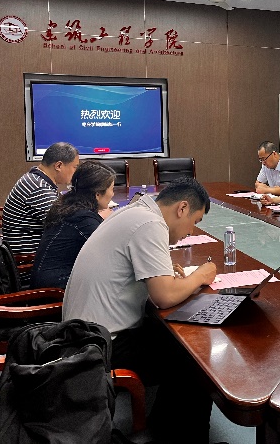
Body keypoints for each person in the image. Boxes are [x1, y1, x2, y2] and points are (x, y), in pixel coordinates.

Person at [62, 177, 218, 442]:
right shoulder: (150, 224)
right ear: (182, 208)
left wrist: (163, 271)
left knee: (175, 341)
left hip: (82, 333)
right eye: (195, 221)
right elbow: (165, 296)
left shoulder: (135, 211)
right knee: (196, 360)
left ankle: (164, 427)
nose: (191, 231)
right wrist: (200, 276)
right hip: (100, 345)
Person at [30, 161, 115, 289]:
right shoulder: (83, 220)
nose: (113, 194)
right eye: (112, 189)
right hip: (55, 291)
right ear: (97, 194)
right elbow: (111, 254)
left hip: (49, 282)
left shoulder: (68, 205)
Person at [2, 142, 80, 255]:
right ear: (58, 166)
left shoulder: (35, 179)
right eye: (74, 167)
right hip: (29, 255)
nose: (75, 172)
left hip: (29, 247)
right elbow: (66, 225)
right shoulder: (38, 188)